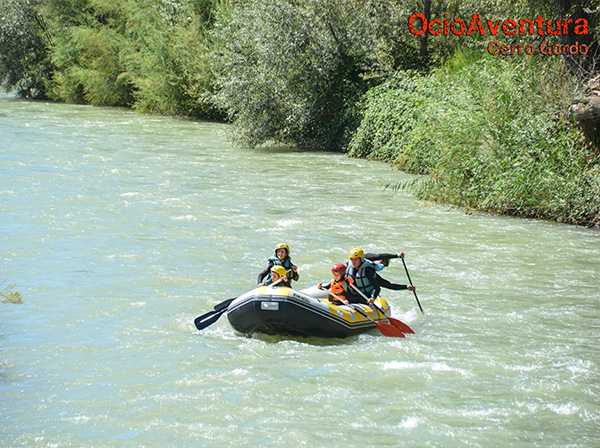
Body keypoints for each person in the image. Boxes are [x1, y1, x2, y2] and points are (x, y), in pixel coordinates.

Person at [346, 247, 415, 304]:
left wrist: (406, 287)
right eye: (352, 259)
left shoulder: (368, 271)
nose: (353, 262)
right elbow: (380, 256)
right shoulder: (350, 266)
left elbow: (386, 285)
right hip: (352, 293)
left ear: (361, 259)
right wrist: (396, 256)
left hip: (364, 296)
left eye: (356, 260)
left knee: (349, 295)